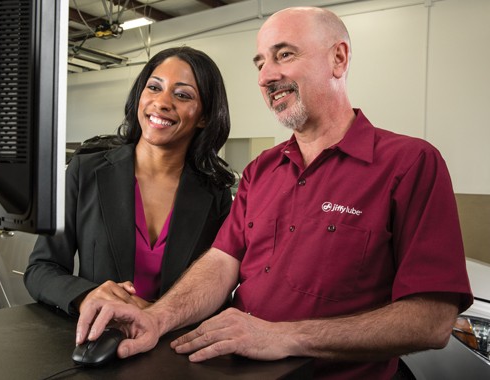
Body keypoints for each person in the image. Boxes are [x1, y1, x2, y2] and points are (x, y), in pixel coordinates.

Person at [77, 7, 474, 380]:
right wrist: (157, 318)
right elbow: (221, 262)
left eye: (283, 55)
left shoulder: (409, 163)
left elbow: (432, 320)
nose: (266, 75)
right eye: (260, 63)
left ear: (338, 59)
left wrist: (285, 336)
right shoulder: (260, 170)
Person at [24, 46, 235, 316]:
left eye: (182, 95)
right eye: (154, 88)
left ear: (204, 117)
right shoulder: (86, 170)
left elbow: (218, 290)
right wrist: (86, 296)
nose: (162, 102)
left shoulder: (215, 194)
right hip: (98, 342)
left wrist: (163, 315)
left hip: (173, 348)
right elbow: (41, 269)